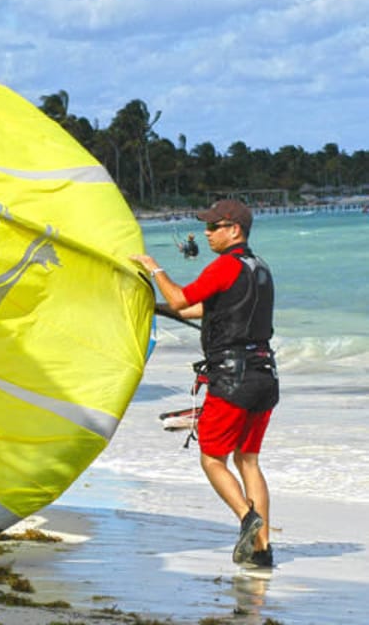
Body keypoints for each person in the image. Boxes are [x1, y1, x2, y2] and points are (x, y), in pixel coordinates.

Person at [131, 199, 278, 569]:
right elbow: (199, 309)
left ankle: (247, 517)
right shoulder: (259, 268)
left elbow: (182, 298)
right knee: (248, 460)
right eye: (208, 227)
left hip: (232, 380)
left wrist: (154, 269)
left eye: (215, 226)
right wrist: (157, 307)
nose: (208, 233)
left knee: (212, 459)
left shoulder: (225, 266)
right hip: (265, 378)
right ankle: (262, 551)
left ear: (235, 230)